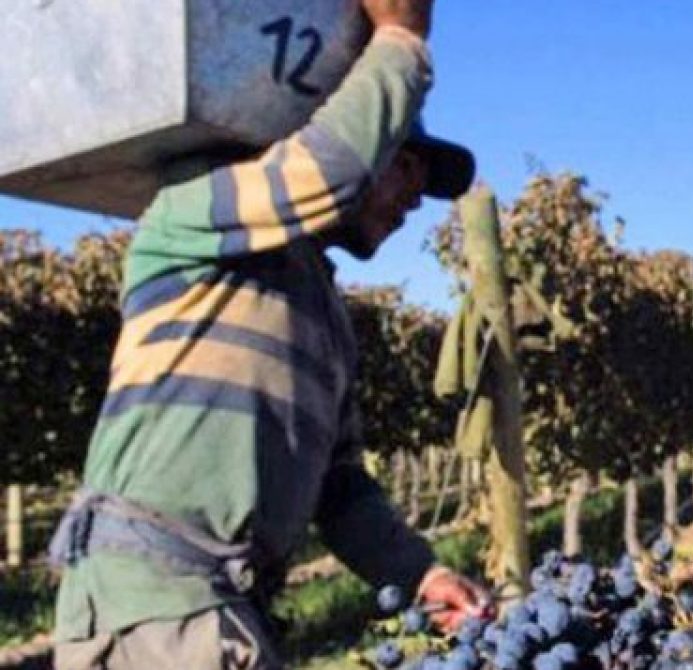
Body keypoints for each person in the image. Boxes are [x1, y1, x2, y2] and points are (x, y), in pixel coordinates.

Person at [48, 1, 490, 667]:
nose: (414, 196)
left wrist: (420, 572)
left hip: (218, 607)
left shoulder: (326, 321)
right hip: (153, 603)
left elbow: (340, 488)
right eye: (404, 162)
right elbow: (323, 172)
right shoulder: (192, 213)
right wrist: (402, 42)